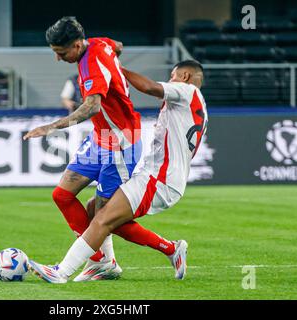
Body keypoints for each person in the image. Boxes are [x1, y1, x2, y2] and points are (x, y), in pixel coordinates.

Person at [28, 60, 208, 283]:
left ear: (185, 77)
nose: (170, 80)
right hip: (158, 176)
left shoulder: (187, 90)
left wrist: (114, 69)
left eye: (173, 76)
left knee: (103, 218)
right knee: (95, 209)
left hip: (159, 180)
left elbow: (150, 87)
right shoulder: (196, 105)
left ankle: (61, 271)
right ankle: (164, 251)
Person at [24, 16, 145, 282]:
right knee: (62, 195)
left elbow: (92, 106)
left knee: (105, 215)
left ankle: (169, 249)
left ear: (78, 45)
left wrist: (50, 128)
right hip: (101, 137)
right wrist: (116, 69)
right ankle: (100, 260)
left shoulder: (90, 62)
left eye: (61, 53)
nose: (58, 59)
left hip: (121, 139)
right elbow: (119, 45)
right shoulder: (101, 43)